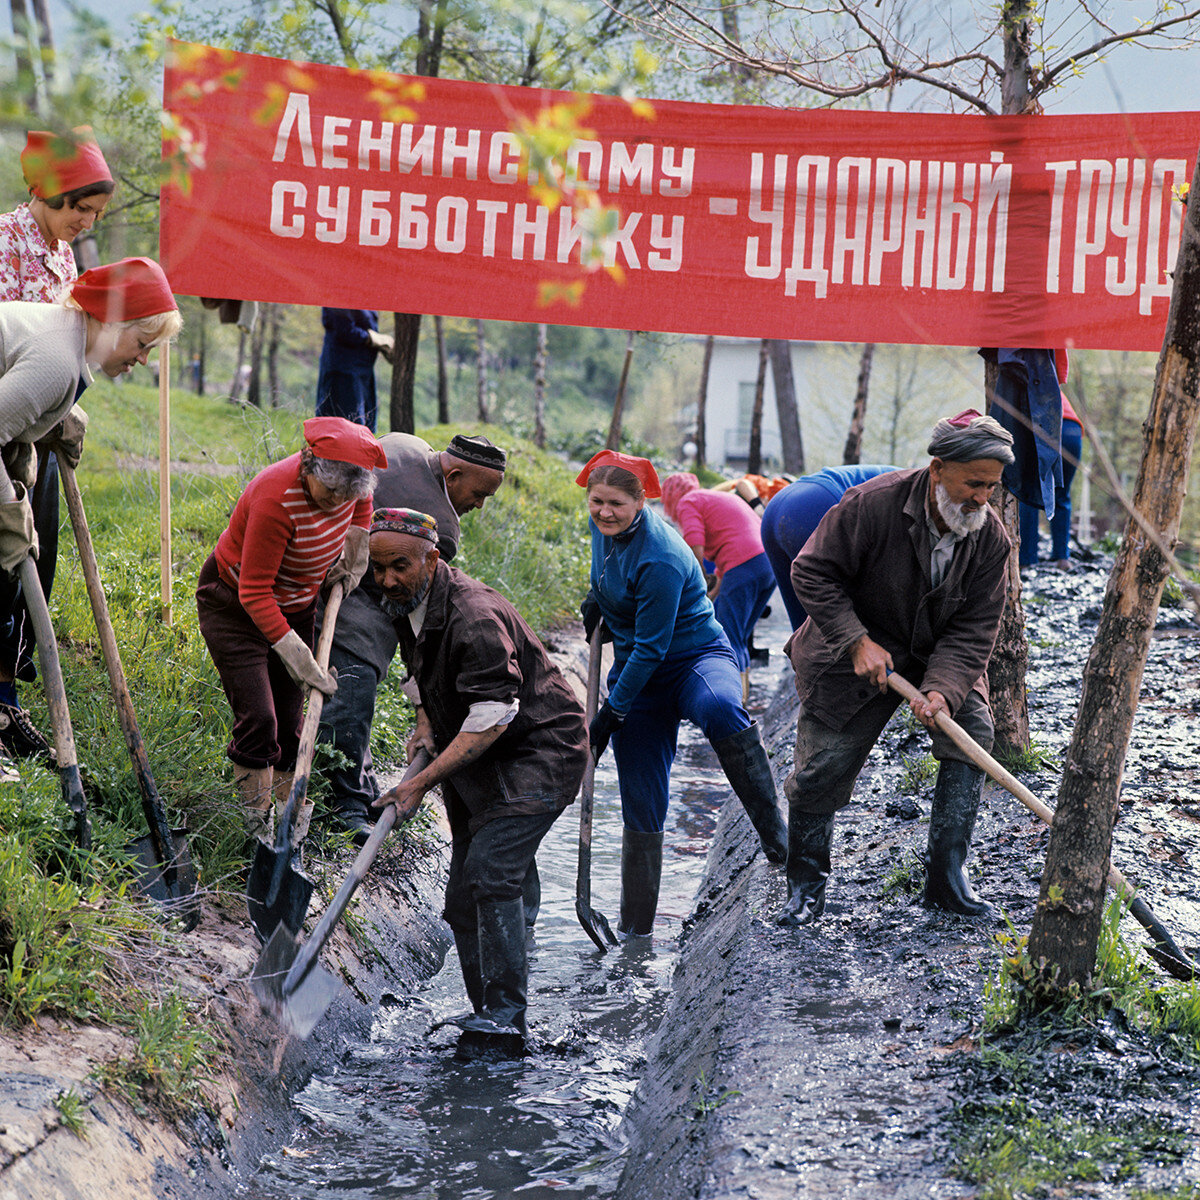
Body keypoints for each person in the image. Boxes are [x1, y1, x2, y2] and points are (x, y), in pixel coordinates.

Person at [778, 411, 1013, 927]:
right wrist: (856, 641)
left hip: (936, 654)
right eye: (973, 483)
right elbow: (812, 572)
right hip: (848, 653)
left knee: (971, 729)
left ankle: (947, 881)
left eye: (991, 488)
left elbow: (975, 628)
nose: (981, 498)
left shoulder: (990, 539)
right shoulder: (872, 504)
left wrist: (945, 689)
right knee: (821, 768)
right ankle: (805, 887)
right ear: (937, 469)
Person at [368, 507, 587, 1056]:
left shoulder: (475, 619)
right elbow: (421, 672)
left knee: (491, 871)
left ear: (432, 558)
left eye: (399, 566)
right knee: (464, 898)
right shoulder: (405, 601)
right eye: (377, 568)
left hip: (539, 751)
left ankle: (506, 1018)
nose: (387, 579)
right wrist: (424, 726)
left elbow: (492, 718)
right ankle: (486, 1007)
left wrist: (419, 784)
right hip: (481, 757)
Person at [578, 450, 788, 940]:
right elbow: (611, 583)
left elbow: (653, 648)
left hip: (693, 658)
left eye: (616, 504)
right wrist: (597, 603)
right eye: (596, 502)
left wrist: (610, 713)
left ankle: (777, 837)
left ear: (641, 502)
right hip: (639, 670)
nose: (604, 512)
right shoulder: (600, 531)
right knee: (639, 794)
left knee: (719, 708)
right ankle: (636, 932)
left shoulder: (662, 555)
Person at [0, 256, 180, 758]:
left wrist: (52, 418)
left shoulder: (68, 345)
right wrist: (9, 511)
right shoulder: (58, 358)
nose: (143, 359)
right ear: (110, 322)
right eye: (142, 344)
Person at [196, 416, 386, 855]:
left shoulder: (350, 492)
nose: (334, 503)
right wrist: (299, 657)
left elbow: (360, 510)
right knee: (260, 717)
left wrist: (354, 557)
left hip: (298, 604)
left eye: (345, 494)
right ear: (308, 465)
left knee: (290, 721)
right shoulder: (275, 498)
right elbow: (254, 591)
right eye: (329, 492)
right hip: (235, 605)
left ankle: (286, 829)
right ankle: (255, 834)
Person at [317, 432, 507, 843]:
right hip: (359, 591)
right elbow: (409, 593)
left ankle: (358, 785)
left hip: (315, 556)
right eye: (478, 494)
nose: (479, 504)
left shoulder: (405, 444)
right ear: (453, 475)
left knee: (347, 688)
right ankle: (343, 803)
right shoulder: (442, 525)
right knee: (354, 682)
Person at [0, 127, 114, 759]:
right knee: (4, 553)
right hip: (5, 418)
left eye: (95, 214)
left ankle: (11, 687)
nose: (85, 222)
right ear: (46, 190)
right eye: (79, 208)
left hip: (37, 423)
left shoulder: (64, 256)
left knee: (34, 558)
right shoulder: (4, 240)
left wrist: (70, 401)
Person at [660, 472, 776, 688]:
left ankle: (731, 698)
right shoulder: (715, 498)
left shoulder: (688, 501)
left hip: (744, 565)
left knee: (728, 636)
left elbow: (694, 541)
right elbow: (730, 551)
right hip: (768, 563)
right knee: (740, 636)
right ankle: (743, 697)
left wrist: (699, 579)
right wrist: (711, 594)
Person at [760, 465, 899, 630]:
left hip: (777, 507)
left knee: (803, 632)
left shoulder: (916, 480)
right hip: (818, 503)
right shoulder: (918, 488)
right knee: (846, 625)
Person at [1019, 391, 1083, 570]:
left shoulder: (1023, 384)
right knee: (1061, 494)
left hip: (1045, 427)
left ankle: (1026, 559)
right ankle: (1062, 558)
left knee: (1029, 493)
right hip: (1072, 431)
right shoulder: (1051, 385)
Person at [315, 309, 394, 432]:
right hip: (343, 370)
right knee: (345, 424)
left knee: (362, 425)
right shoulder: (339, 294)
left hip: (363, 369)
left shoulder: (365, 295)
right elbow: (343, 329)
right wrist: (371, 338)